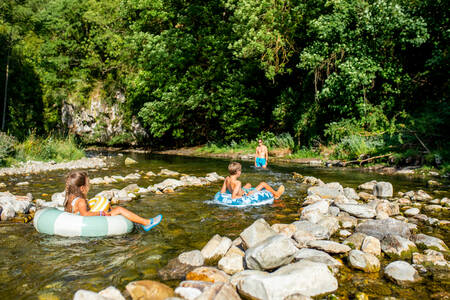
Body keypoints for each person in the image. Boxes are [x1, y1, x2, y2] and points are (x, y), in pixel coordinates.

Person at [63, 170, 162, 231]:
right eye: (88, 184)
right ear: (82, 188)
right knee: (119, 209)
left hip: (77, 221)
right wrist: (101, 213)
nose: (89, 185)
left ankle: (136, 221)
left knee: (111, 207)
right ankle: (146, 223)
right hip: (89, 223)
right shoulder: (81, 201)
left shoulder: (70, 198)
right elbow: (84, 214)